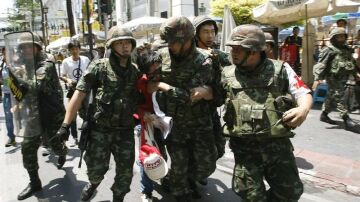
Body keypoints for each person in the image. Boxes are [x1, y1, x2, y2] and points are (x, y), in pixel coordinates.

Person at [220, 24, 312, 201]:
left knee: (291, 192)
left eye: (239, 49)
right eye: (232, 48)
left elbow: (303, 92)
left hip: (277, 147)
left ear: (254, 51)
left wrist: (303, 109)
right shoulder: (226, 74)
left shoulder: (280, 70)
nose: (233, 52)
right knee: (252, 196)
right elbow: (213, 96)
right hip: (244, 149)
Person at [56, 26, 141, 202]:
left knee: (126, 174)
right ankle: (93, 184)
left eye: (128, 43)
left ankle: (118, 198)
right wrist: (65, 125)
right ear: (112, 46)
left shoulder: (134, 70)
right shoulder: (99, 67)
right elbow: (79, 94)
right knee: (96, 170)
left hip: (125, 131)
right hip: (100, 131)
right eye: (120, 43)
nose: (125, 46)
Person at [148, 16, 218, 201]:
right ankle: (181, 189)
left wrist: (163, 85)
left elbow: (191, 96)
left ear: (186, 41)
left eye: (172, 43)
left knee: (206, 165)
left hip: (200, 124)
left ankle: (188, 180)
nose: (169, 47)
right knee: (179, 166)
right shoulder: (161, 57)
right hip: (173, 125)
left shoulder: (204, 61)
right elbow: (148, 85)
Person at [5, 32, 68, 200]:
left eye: (30, 46)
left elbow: (34, 86)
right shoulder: (25, 65)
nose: (26, 49)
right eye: (23, 46)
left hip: (52, 113)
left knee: (56, 146)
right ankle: (34, 182)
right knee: (27, 148)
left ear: (37, 48)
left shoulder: (46, 64)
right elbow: (23, 93)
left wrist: (15, 77)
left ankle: (62, 152)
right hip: (34, 114)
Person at [192, 15, 230, 190]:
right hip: (190, 113)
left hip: (211, 110)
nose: (210, 35)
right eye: (205, 32)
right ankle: (192, 176)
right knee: (193, 151)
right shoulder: (187, 56)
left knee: (219, 148)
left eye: (213, 31)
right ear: (196, 33)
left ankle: (198, 172)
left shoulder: (219, 56)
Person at [135, 50, 167, 202]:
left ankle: (163, 177)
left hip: (164, 123)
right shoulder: (140, 82)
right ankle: (146, 191)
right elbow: (134, 104)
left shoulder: (167, 77)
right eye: (153, 69)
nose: (157, 72)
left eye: (158, 67)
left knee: (162, 154)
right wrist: (143, 115)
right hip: (146, 124)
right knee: (147, 158)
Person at [313, 27, 358, 130]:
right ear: (334, 38)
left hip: (344, 76)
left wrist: (355, 74)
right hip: (332, 77)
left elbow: (352, 63)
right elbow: (321, 65)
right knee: (339, 95)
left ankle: (324, 114)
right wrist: (317, 78)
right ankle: (346, 118)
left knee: (331, 95)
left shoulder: (346, 49)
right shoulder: (329, 50)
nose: (341, 38)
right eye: (339, 37)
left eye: (343, 36)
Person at [60, 39, 90, 145]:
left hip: (86, 90)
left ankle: (87, 136)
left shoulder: (85, 59)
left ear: (79, 49)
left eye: (76, 49)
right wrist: (68, 80)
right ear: (69, 50)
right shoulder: (66, 61)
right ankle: (74, 136)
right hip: (73, 90)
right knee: (72, 113)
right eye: (72, 49)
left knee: (87, 113)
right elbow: (62, 75)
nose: (75, 51)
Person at [0, 47, 16, 147]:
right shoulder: (1, 65)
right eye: (4, 53)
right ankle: (11, 137)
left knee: (25, 115)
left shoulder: (17, 63)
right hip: (7, 94)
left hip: (18, 94)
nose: (6, 55)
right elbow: (1, 80)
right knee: (8, 117)